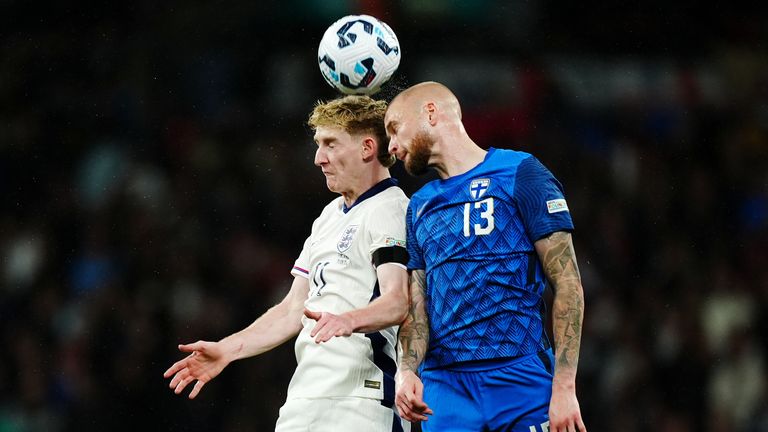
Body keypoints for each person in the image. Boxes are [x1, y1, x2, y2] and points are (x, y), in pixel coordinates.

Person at [164, 95, 411, 432]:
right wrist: (227, 350)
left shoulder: (390, 209)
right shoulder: (328, 216)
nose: (318, 158)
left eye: (330, 144)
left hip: (359, 401)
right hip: (304, 398)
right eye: (318, 144)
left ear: (367, 147)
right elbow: (293, 307)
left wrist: (347, 320)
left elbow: (398, 301)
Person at [385, 81, 588, 432]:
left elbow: (567, 283)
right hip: (445, 390)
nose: (391, 146)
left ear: (430, 113)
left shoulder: (520, 173)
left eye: (395, 129)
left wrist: (565, 387)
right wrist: (405, 371)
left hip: (521, 377)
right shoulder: (418, 206)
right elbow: (417, 308)